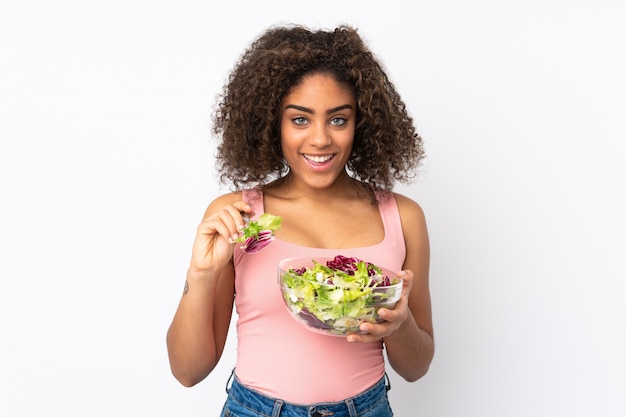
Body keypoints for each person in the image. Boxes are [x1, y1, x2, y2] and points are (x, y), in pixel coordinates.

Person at [166, 24, 434, 417]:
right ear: (272, 122)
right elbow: (188, 371)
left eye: (338, 120)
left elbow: (417, 366)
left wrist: (400, 323)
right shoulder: (239, 217)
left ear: (362, 123)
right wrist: (202, 274)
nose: (321, 139)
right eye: (300, 120)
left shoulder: (402, 217)